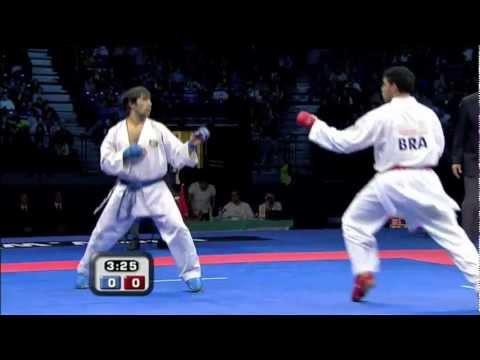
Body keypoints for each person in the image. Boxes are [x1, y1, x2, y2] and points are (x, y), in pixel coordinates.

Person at [296, 66, 479, 301]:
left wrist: (315, 125)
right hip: (425, 180)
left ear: (392, 85)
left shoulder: (382, 115)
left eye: (384, 84)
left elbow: (346, 142)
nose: (382, 89)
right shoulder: (429, 114)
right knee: (455, 238)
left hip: (390, 181)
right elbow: (439, 147)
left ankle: (364, 271)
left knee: (354, 223)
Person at [75, 86, 209, 292]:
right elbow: (105, 162)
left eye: (150, 100)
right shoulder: (115, 132)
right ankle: (85, 270)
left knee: (178, 228)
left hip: (156, 189)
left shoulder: (158, 129)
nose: (150, 104)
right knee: (103, 232)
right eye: (145, 100)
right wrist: (124, 155)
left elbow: (177, 154)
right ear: (131, 104)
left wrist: (191, 144)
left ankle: (192, 273)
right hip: (126, 190)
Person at [451, 92, 478, 245]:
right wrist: (456, 159)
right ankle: (468, 245)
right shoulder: (469, 102)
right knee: (471, 204)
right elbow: (460, 132)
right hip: (474, 159)